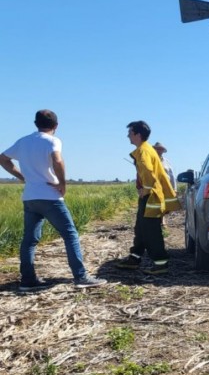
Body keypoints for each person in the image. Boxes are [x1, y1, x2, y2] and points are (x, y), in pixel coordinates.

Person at [0, 109, 107, 291]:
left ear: (36, 124)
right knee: (70, 234)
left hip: (30, 197)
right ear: (55, 126)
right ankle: (81, 276)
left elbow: (3, 159)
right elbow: (57, 161)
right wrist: (62, 184)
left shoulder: (23, 141)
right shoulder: (53, 140)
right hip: (50, 196)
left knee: (29, 240)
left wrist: (22, 176)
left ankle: (27, 280)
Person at [116, 121, 180, 274]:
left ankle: (160, 263)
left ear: (138, 135)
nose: (128, 136)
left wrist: (145, 190)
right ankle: (134, 258)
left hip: (151, 197)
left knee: (151, 231)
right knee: (141, 229)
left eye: (130, 133)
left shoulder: (144, 151)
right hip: (151, 196)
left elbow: (149, 174)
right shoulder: (146, 149)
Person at [152, 142, 175, 231]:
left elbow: (172, 175)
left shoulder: (167, 162)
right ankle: (160, 221)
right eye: (157, 149)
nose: (159, 151)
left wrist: (174, 188)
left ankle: (162, 219)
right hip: (154, 185)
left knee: (165, 204)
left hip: (166, 185)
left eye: (160, 149)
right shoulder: (150, 160)